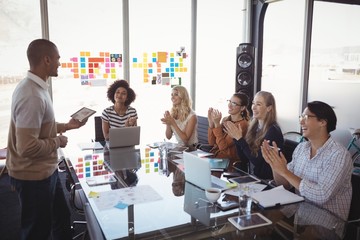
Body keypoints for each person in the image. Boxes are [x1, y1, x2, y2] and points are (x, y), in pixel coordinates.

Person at [6, 39, 88, 240]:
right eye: (58, 58)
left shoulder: (37, 88)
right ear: (46, 59)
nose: (60, 63)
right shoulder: (31, 95)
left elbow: (41, 127)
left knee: (61, 217)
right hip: (33, 176)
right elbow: (27, 147)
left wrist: (67, 126)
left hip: (46, 170)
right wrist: (58, 142)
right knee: (37, 231)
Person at [261, 101, 353, 220]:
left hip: (327, 226)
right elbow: (284, 184)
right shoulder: (301, 148)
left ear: (322, 122)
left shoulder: (339, 154)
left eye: (306, 117)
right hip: (301, 218)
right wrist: (274, 165)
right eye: (301, 117)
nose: (301, 121)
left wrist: (285, 172)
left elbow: (322, 195)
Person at [224, 91, 283, 180]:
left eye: (258, 104)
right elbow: (244, 159)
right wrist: (236, 139)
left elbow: (257, 161)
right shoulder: (254, 126)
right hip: (252, 176)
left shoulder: (273, 130)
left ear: (269, 108)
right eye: (253, 103)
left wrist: (239, 139)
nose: (253, 107)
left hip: (265, 180)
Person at [207, 92, 250, 170]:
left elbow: (222, 147)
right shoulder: (225, 120)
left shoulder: (242, 125)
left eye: (234, 103)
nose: (229, 105)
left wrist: (217, 124)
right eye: (229, 101)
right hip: (216, 158)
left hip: (228, 163)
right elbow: (211, 143)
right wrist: (211, 124)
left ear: (242, 108)